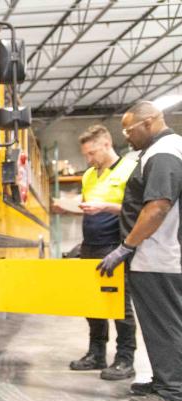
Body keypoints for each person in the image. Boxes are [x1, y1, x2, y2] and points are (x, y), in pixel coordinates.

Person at [98, 101, 182, 401]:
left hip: (160, 256)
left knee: (165, 325)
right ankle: (165, 381)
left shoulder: (163, 153)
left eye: (129, 130)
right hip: (157, 255)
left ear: (148, 123)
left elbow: (157, 206)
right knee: (163, 324)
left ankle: (173, 393)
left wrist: (127, 247)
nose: (127, 137)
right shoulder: (162, 150)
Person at [55, 125, 137, 380]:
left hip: (115, 246)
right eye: (86, 154)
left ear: (106, 144)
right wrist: (70, 208)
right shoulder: (90, 175)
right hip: (90, 245)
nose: (88, 159)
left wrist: (105, 206)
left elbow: (135, 209)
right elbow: (91, 207)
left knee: (119, 306)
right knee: (93, 303)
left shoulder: (129, 169)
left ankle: (125, 359)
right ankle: (96, 353)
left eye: (92, 153)